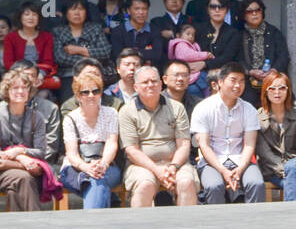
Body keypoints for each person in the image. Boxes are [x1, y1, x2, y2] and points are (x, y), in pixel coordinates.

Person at [117, 64, 200, 207]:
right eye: (145, 82)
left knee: (186, 182)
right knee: (145, 185)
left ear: (161, 84)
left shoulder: (176, 107)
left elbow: (184, 145)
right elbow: (131, 151)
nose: (150, 85)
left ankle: (187, 227)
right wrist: (157, 170)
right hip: (142, 165)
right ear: (136, 87)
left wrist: (173, 167)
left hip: (175, 163)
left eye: (154, 81)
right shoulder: (127, 111)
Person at [192, 62, 265, 204]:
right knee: (214, 186)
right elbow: (204, 146)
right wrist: (223, 171)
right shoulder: (203, 108)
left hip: (240, 160)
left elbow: (249, 145)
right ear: (220, 82)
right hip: (211, 162)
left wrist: (240, 169)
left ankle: (256, 223)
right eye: (233, 80)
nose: (238, 86)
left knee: (256, 183)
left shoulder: (248, 109)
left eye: (242, 81)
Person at [60, 69, 121, 209]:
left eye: (96, 91)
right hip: (76, 168)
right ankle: (97, 224)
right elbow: (72, 154)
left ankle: (92, 225)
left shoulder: (111, 113)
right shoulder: (70, 118)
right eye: (85, 92)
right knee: (97, 182)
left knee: (97, 180)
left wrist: (103, 164)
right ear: (77, 95)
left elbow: (112, 143)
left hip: (107, 166)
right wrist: (87, 168)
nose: (91, 95)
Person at [0, 70, 60, 211]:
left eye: (24, 87)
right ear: (7, 91)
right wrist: (23, 160)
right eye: (15, 88)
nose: (20, 91)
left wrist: (20, 152)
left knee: (18, 186)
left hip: (25, 169)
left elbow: (41, 151)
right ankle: (35, 227)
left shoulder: (36, 116)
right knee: (25, 178)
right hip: (8, 169)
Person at [256, 69, 296, 201]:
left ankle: (292, 214)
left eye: (282, 88)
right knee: (293, 179)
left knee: (292, 169)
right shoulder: (258, 117)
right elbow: (264, 152)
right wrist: (284, 169)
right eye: (272, 88)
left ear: (288, 91)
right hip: (272, 170)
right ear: (265, 91)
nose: (277, 92)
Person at [237, 0, 290, 106]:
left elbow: (283, 55)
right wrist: (250, 71)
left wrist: (274, 70)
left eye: (257, 10)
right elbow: (236, 58)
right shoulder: (239, 34)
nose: (254, 14)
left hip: (273, 79)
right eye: (250, 11)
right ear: (244, 15)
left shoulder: (273, 32)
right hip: (248, 80)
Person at [52, 0, 111, 91]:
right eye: (72, 9)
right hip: (68, 75)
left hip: (93, 74)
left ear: (86, 12)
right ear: (66, 13)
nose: (77, 13)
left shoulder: (95, 29)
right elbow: (60, 57)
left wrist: (78, 50)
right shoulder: (58, 32)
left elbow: (105, 52)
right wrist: (91, 60)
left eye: (80, 9)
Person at [4, 1, 57, 97]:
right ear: (20, 17)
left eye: (34, 14)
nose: (31, 17)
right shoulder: (10, 37)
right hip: (17, 77)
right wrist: (24, 75)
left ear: (39, 18)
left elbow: (48, 61)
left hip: (40, 78)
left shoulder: (47, 37)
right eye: (26, 14)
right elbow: (8, 62)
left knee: (43, 94)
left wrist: (39, 75)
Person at [109, 0, 165, 68]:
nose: (141, 12)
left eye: (144, 9)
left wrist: (129, 50)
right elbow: (118, 55)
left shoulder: (155, 30)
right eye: (137, 9)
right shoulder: (118, 31)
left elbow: (157, 54)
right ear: (128, 11)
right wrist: (145, 52)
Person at [197, 0, 242, 75]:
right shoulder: (197, 29)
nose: (217, 10)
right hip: (198, 73)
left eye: (221, 7)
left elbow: (228, 58)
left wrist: (205, 64)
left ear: (227, 10)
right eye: (213, 7)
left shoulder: (233, 33)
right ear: (207, 10)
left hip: (224, 74)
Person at [168, 24, 209, 95]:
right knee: (203, 78)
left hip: (194, 71)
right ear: (178, 35)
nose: (191, 36)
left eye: (193, 35)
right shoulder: (180, 44)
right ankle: (207, 93)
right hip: (188, 72)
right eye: (188, 34)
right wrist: (206, 55)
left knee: (204, 77)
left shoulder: (192, 45)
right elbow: (188, 55)